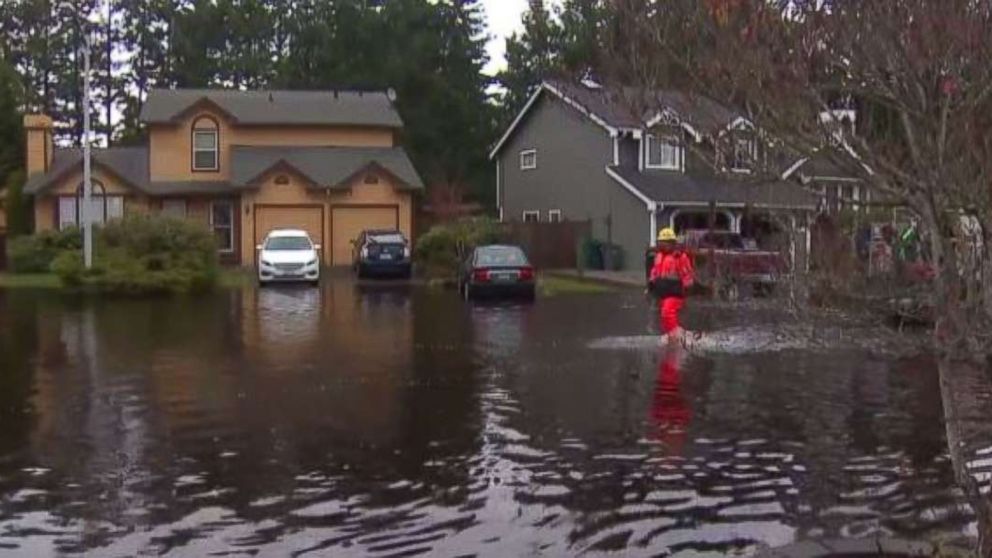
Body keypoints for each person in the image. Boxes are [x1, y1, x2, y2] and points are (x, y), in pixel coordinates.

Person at [649, 227, 695, 345]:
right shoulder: (658, 256)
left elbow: (687, 274)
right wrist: (651, 284)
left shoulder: (680, 257)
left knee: (667, 311)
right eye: (660, 242)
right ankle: (673, 335)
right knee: (664, 316)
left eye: (665, 243)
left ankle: (676, 335)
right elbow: (655, 271)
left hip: (676, 291)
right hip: (663, 291)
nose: (662, 245)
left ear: (672, 243)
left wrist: (687, 288)